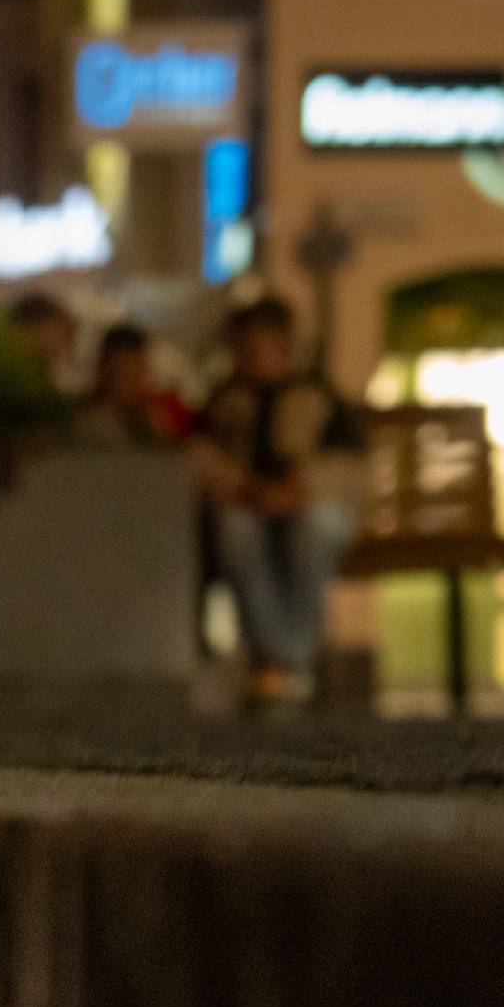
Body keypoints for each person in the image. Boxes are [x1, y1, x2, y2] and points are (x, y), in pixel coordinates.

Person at [194, 297, 365, 705]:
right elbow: (203, 458)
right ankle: (290, 660)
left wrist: (299, 488)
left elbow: (351, 468)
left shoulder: (318, 398)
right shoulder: (227, 402)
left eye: (261, 347)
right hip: (250, 510)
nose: (251, 358)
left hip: (311, 511)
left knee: (315, 528)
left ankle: (279, 662)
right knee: (235, 531)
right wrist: (245, 488)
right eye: (244, 348)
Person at [75, 324, 196, 448]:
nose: (138, 383)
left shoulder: (147, 416)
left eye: (141, 373)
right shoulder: (94, 424)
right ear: (106, 373)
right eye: (127, 375)